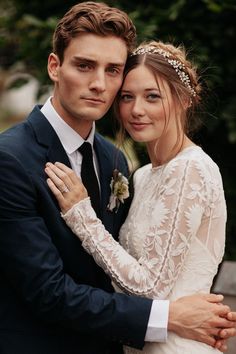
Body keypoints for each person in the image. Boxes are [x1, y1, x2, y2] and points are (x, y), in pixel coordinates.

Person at [0, 2, 235, 353]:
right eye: (84, 66)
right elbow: (48, 293)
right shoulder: (10, 158)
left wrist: (194, 314)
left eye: (113, 70)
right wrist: (171, 317)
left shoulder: (113, 160)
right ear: (54, 66)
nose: (98, 84)